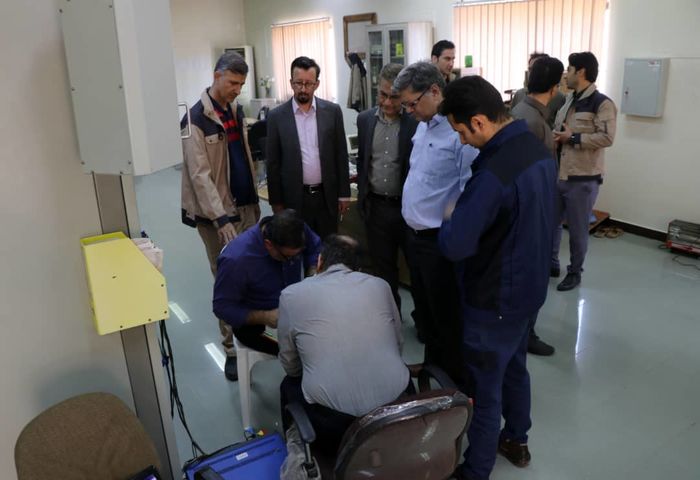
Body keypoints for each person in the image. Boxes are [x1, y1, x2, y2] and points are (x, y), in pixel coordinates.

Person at [439, 76, 557, 480]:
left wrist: (450, 214)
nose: (462, 141)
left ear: (478, 121)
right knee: (515, 368)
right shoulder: (537, 150)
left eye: (461, 132)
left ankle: (476, 471)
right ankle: (517, 440)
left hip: (494, 298)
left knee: (485, 389)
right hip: (529, 290)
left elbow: (456, 244)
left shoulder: (493, 172)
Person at [278, 234, 411, 454]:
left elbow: (290, 366)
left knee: (288, 385)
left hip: (337, 424)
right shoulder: (381, 285)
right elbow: (398, 344)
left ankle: (308, 458)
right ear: (358, 268)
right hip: (396, 407)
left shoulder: (291, 294)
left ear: (319, 261)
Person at [393, 61, 478, 388]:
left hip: (438, 241)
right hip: (414, 238)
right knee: (426, 315)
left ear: (434, 91)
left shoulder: (458, 132)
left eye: (412, 103)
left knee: (447, 318)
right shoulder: (423, 125)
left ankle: (455, 386)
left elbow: (468, 191)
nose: (409, 111)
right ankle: (433, 369)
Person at [180, 51, 261, 381]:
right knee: (227, 281)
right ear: (216, 76)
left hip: (246, 207)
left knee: (252, 273)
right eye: (232, 83)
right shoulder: (194, 120)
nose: (237, 90)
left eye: (241, 84)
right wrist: (221, 219)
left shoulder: (235, 110)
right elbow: (199, 176)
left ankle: (251, 335)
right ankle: (231, 350)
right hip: (218, 218)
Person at [510, 56, 564, 357]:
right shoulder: (531, 121)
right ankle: (525, 334)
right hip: (532, 214)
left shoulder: (524, 111)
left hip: (533, 211)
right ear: (555, 87)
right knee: (532, 277)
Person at [213, 209, 321, 356]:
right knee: (300, 351)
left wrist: (311, 276)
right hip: (260, 325)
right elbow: (222, 307)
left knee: (326, 337)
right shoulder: (236, 260)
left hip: (294, 307)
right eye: (287, 257)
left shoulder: (296, 229)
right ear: (269, 244)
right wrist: (264, 316)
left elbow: (315, 248)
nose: (292, 261)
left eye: (297, 256)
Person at [266, 56, 351, 239]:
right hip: (294, 199)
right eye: (298, 83)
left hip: (326, 197)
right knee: (297, 247)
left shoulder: (332, 112)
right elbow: (273, 163)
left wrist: (344, 194)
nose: (303, 89)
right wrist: (276, 202)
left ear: (317, 84)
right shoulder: (276, 117)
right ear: (291, 83)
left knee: (327, 247)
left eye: (308, 84)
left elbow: (341, 154)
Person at [552, 51, 617, 291]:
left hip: (583, 178)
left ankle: (575, 272)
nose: (565, 75)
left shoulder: (602, 103)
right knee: (553, 223)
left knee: (578, 231)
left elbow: (607, 138)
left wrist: (574, 138)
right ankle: (552, 263)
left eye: (569, 70)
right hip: (561, 173)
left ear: (581, 72)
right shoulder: (569, 99)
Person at [356, 63, 419, 312]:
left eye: (394, 97)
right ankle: (391, 319)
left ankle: (423, 322)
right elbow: (363, 161)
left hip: (407, 209)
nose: (388, 103)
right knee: (383, 271)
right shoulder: (364, 120)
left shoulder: (415, 123)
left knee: (417, 268)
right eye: (383, 95)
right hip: (376, 208)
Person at [510, 52, 566, 129]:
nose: (532, 74)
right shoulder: (519, 94)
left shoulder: (559, 97)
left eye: (536, 70)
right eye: (530, 69)